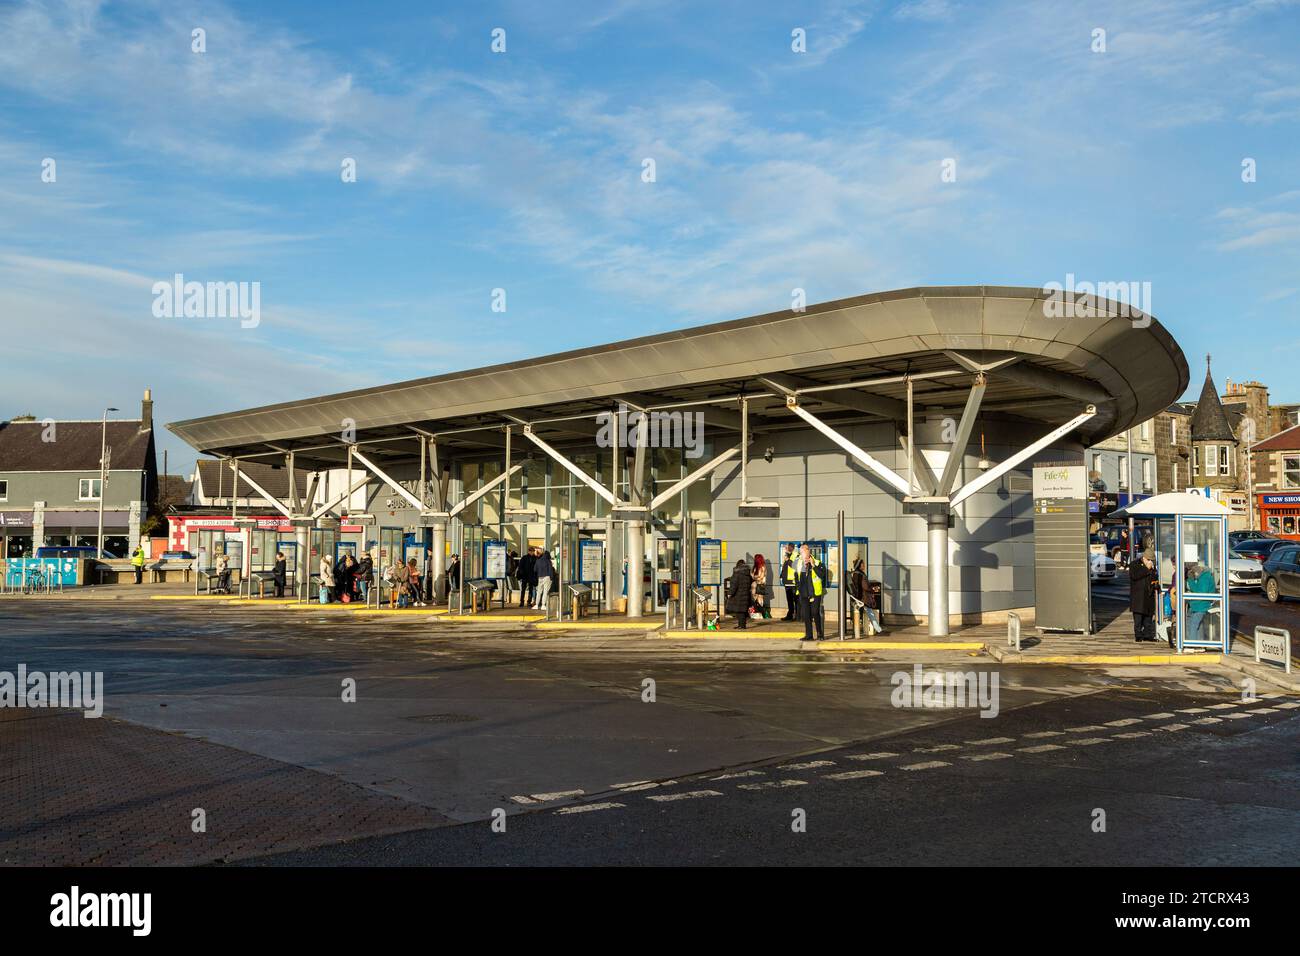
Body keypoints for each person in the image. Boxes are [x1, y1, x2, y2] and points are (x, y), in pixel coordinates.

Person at [795, 543, 828, 641]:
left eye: (804, 552)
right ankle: (809, 635)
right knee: (806, 614)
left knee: (815, 613)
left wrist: (813, 565)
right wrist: (798, 587)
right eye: (801, 553)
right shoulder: (799, 563)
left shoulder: (817, 562)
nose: (803, 555)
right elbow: (796, 576)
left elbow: (822, 575)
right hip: (804, 592)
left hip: (815, 592)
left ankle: (820, 634)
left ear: (808, 552)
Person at [1128, 549, 1158, 642]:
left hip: (1149, 595)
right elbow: (1134, 576)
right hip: (1138, 596)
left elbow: (1154, 578)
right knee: (1138, 618)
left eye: (1151, 560)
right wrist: (1146, 569)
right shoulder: (1134, 564)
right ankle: (1138, 635)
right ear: (1144, 558)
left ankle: (1148, 635)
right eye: (1148, 560)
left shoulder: (1152, 567)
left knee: (1148, 617)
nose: (1150, 562)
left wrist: (1156, 584)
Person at [725, 559, 753, 629]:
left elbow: (734, 585)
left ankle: (742, 626)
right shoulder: (748, 574)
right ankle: (741, 625)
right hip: (746, 594)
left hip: (738, 595)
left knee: (739, 611)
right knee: (742, 611)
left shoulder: (737, 574)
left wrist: (730, 593)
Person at [780, 543, 799, 621]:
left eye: (787, 547)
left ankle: (796, 615)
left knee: (795, 600)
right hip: (787, 582)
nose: (786, 549)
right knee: (790, 600)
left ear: (791, 548)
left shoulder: (795, 555)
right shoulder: (788, 555)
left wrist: (788, 560)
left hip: (792, 581)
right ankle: (790, 614)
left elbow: (794, 566)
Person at [751, 554, 770, 620]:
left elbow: (760, 577)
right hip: (755, 586)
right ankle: (758, 614)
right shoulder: (756, 567)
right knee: (756, 601)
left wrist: (754, 577)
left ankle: (761, 614)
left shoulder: (762, 567)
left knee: (759, 600)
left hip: (759, 585)